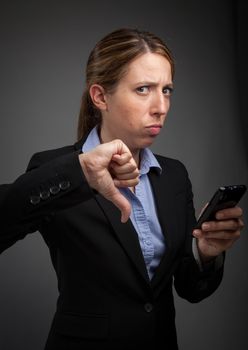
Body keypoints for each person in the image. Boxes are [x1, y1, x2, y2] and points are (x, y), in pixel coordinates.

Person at [0, 28, 244, 350]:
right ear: (100, 96)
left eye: (167, 90)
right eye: (143, 89)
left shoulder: (173, 175)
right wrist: (81, 171)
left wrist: (207, 254)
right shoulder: (56, 169)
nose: (161, 106)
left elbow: (189, 287)